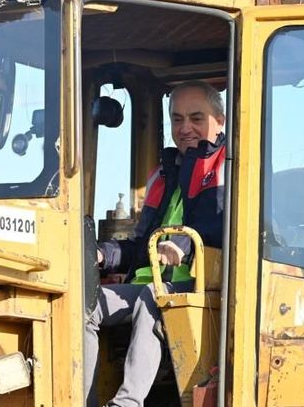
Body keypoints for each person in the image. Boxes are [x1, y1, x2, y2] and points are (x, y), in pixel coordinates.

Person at [86, 80, 227, 407]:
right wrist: (102, 254)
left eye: (196, 118)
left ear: (219, 121)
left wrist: (184, 246)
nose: (185, 128)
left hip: (198, 288)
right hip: (148, 284)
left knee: (154, 295)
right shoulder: (162, 176)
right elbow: (140, 247)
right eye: (177, 119)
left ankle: (127, 403)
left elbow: (222, 228)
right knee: (84, 304)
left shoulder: (228, 167)